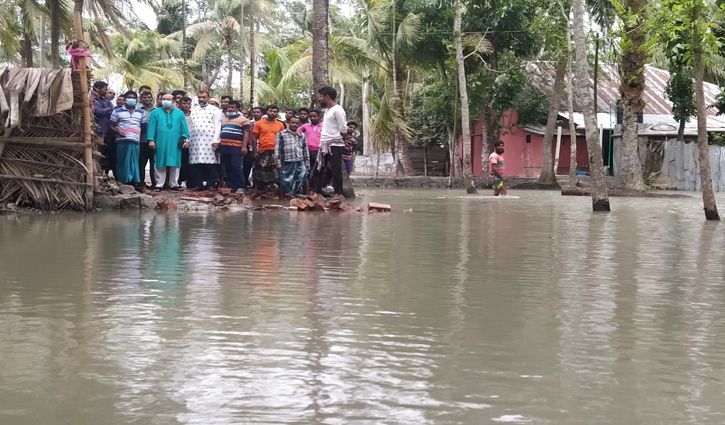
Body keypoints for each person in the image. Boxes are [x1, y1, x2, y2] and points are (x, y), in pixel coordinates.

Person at [147, 93, 190, 192]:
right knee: (159, 162)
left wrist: (186, 139)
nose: (166, 101)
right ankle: (159, 184)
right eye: (164, 99)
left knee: (175, 162)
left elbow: (184, 127)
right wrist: (151, 140)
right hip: (160, 141)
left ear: (174, 101)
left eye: (168, 99)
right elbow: (151, 127)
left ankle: (174, 184)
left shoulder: (179, 113)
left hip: (175, 141)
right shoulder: (155, 113)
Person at [315, 86, 348, 203]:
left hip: (334, 144)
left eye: (321, 96)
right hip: (324, 144)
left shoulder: (338, 110)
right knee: (318, 169)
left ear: (327, 97)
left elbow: (343, 128)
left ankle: (338, 195)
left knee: (336, 170)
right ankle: (316, 193)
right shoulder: (328, 110)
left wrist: (344, 139)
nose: (319, 99)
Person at [109, 91, 146, 188]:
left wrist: (135, 133)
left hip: (135, 139)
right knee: (122, 161)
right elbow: (111, 125)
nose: (131, 99)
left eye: (133, 97)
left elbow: (143, 126)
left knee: (134, 161)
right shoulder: (117, 111)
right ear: (125, 99)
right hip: (122, 140)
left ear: (137, 100)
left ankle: (135, 181)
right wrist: (117, 131)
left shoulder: (141, 112)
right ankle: (123, 181)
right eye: (129, 97)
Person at [188, 90, 222, 191]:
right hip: (195, 141)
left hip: (210, 140)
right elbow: (190, 125)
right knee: (196, 162)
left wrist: (216, 140)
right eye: (199, 97)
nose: (201, 99)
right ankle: (198, 184)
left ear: (208, 98)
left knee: (211, 163)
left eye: (203, 97)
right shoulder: (194, 110)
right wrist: (188, 139)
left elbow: (218, 125)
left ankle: (211, 184)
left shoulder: (215, 110)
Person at [251, 104, 285, 192]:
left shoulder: (280, 124)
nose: (272, 113)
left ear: (277, 113)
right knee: (260, 170)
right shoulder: (259, 123)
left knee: (276, 170)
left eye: (275, 112)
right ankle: (259, 191)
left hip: (276, 150)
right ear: (266, 112)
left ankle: (277, 191)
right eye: (270, 111)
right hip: (263, 150)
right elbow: (254, 137)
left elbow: (282, 138)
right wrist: (255, 151)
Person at [219, 101, 251, 193]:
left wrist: (244, 147)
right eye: (229, 107)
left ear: (237, 109)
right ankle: (232, 186)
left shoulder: (243, 120)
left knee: (236, 167)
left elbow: (246, 134)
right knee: (228, 167)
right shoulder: (224, 120)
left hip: (236, 147)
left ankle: (241, 186)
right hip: (225, 147)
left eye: (232, 107)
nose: (230, 109)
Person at [275, 116, 309, 197]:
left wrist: (307, 162)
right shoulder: (281, 134)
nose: (294, 124)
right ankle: (283, 199)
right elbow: (277, 149)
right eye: (292, 123)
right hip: (287, 160)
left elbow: (305, 148)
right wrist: (278, 162)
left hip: (299, 160)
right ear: (289, 123)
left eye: (296, 123)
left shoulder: (301, 135)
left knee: (303, 175)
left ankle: (295, 194)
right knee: (284, 180)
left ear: (299, 124)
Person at [92, 81, 115, 178]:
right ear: (97, 88)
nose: (106, 91)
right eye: (105, 89)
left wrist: (106, 110)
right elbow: (97, 112)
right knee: (96, 153)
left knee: (105, 153)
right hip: (96, 131)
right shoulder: (92, 99)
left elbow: (113, 112)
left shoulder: (106, 101)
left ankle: (104, 174)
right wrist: (107, 109)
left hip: (106, 132)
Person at [138, 90, 157, 188]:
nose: (147, 99)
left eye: (149, 97)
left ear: (152, 98)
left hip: (155, 141)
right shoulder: (138, 110)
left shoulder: (157, 110)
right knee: (141, 162)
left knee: (154, 163)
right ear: (141, 99)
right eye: (144, 97)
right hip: (141, 140)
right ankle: (141, 182)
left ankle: (155, 183)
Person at [299, 109, 322, 182]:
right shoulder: (306, 126)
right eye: (311, 117)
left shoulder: (324, 125)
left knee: (317, 169)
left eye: (314, 116)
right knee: (307, 167)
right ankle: (307, 185)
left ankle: (315, 186)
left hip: (319, 151)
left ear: (319, 117)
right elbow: (297, 132)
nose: (312, 118)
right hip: (307, 150)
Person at [178, 96, 194, 188]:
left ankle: (190, 182)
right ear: (180, 104)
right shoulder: (177, 114)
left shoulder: (194, 115)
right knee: (180, 162)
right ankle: (178, 181)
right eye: (184, 103)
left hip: (192, 142)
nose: (186, 105)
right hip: (180, 141)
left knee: (190, 163)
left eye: (188, 104)